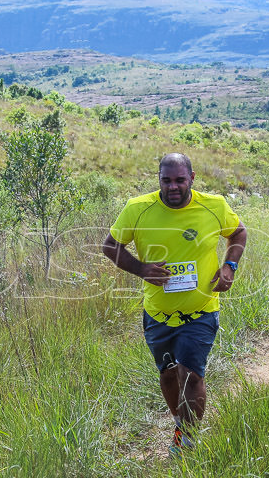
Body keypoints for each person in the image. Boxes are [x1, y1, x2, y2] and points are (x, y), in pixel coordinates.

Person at [102, 152, 247, 454]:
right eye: (166, 180)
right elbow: (110, 245)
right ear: (158, 180)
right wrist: (141, 269)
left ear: (192, 179)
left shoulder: (214, 205)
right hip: (158, 313)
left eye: (180, 180)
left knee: (191, 374)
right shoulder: (137, 209)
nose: (173, 187)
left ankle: (187, 439)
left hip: (201, 310)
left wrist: (228, 267)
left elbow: (238, 233)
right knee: (168, 374)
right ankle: (181, 423)